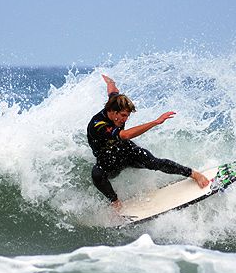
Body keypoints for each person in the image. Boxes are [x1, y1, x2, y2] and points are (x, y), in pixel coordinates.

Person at [87, 74, 209, 210]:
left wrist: (110, 82)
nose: (125, 120)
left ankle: (193, 173)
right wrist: (155, 122)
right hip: (108, 160)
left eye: (127, 116)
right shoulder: (98, 124)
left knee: (154, 162)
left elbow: (112, 91)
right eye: (123, 116)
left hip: (124, 150)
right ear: (113, 112)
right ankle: (115, 202)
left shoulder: (115, 102)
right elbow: (125, 134)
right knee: (97, 175)